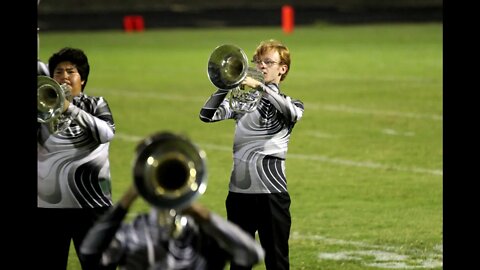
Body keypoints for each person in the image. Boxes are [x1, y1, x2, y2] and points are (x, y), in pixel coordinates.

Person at [199, 39, 304, 270]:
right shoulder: (242, 103)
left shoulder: (292, 103)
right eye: (258, 61)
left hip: (272, 195)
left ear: (282, 68)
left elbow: (293, 114)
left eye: (269, 62)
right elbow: (206, 115)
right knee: (238, 263)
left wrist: (260, 87)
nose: (262, 66)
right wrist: (224, 84)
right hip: (239, 195)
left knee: (277, 262)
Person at [37, 47, 116, 270]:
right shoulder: (40, 110)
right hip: (48, 208)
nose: (64, 77)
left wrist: (68, 107)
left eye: (70, 71)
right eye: (58, 72)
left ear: (83, 79)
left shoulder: (96, 104)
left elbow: (106, 133)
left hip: (93, 205)